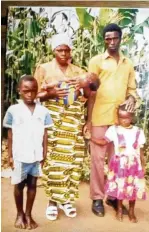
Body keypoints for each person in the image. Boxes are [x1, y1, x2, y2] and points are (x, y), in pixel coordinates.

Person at [34, 33, 99, 221]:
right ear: (54, 50)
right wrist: (50, 93)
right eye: (60, 49)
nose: (63, 53)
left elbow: (92, 93)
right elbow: (33, 93)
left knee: (72, 161)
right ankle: (53, 201)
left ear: (71, 51)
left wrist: (88, 121)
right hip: (53, 123)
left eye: (67, 49)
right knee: (54, 162)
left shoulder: (79, 71)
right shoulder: (44, 69)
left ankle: (67, 200)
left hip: (73, 123)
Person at [83, 23, 139, 217]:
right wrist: (88, 121)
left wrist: (131, 98)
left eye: (115, 38)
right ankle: (97, 198)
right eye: (108, 38)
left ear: (120, 38)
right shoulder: (96, 61)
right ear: (104, 40)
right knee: (98, 160)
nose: (112, 42)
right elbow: (90, 92)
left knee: (117, 160)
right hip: (99, 116)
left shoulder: (128, 63)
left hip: (120, 121)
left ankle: (114, 197)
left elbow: (132, 90)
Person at [3, 75, 53, 229]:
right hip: (19, 155)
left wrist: (45, 153)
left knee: (33, 184)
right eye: (26, 91)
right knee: (18, 185)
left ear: (37, 91)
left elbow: (45, 134)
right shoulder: (13, 110)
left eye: (33, 91)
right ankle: (19, 214)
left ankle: (28, 214)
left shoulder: (43, 111)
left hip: (36, 155)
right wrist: (10, 155)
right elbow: (10, 134)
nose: (30, 95)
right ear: (19, 91)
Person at [91, 104, 146, 223]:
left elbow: (140, 151)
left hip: (134, 166)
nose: (123, 120)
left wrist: (143, 165)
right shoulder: (114, 130)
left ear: (131, 117)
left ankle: (131, 211)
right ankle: (119, 209)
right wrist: (91, 138)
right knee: (120, 188)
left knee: (133, 189)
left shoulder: (138, 131)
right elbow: (103, 142)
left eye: (126, 118)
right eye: (120, 118)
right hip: (120, 165)